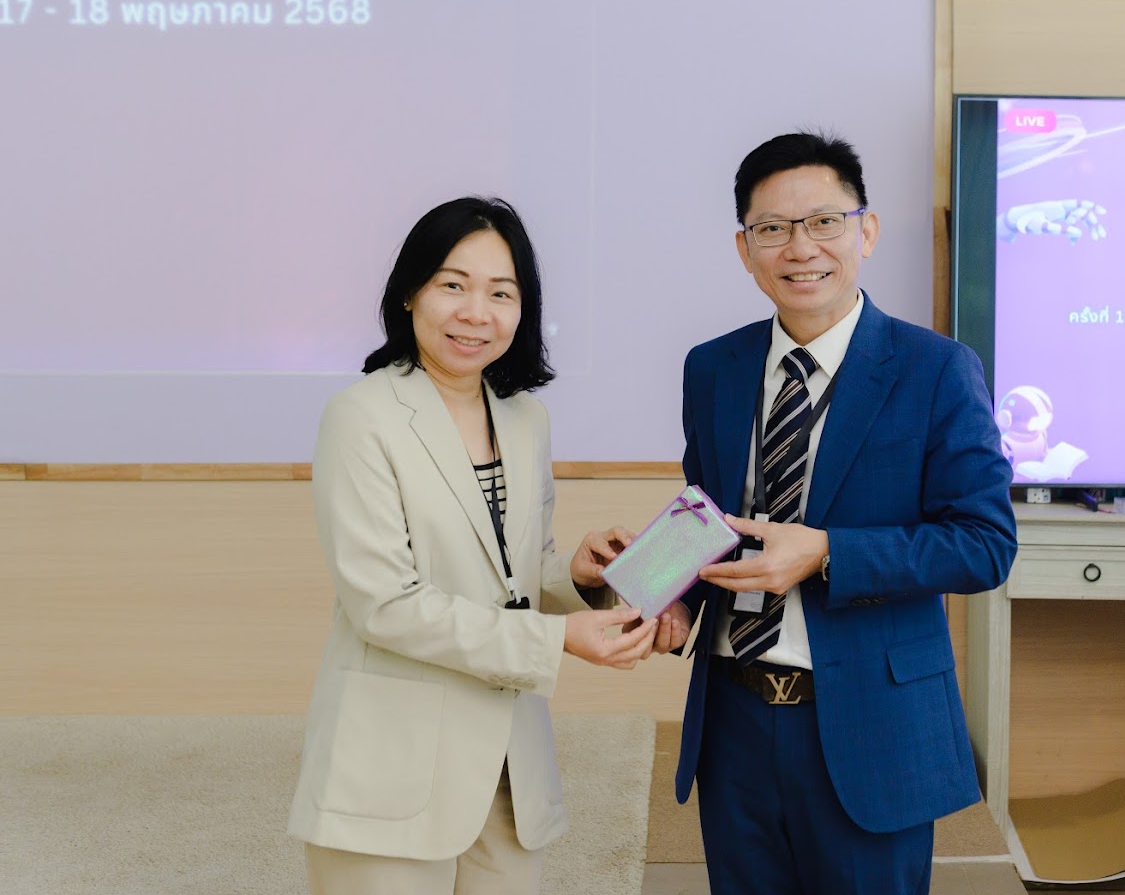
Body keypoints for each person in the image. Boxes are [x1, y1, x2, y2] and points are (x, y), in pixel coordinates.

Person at [652, 132, 1018, 895]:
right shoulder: (712, 367)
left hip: (870, 721)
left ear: (866, 230)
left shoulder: (935, 369)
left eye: (823, 221)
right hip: (733, 715)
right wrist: (664, 592)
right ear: (744, 247)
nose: (800, 247)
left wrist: (825, 552)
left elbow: (983, 544)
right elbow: (709, 514)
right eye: (772, 228)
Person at [286, 196, 658, 895]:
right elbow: (386, 605)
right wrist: (557, 641)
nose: (475, 312)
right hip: (393, 766)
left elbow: (513, 576)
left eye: (500, 293)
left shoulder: (524, 418)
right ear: (409, 292)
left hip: (511, 768)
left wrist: (579, 576)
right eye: (452, 285)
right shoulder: (361, 417)